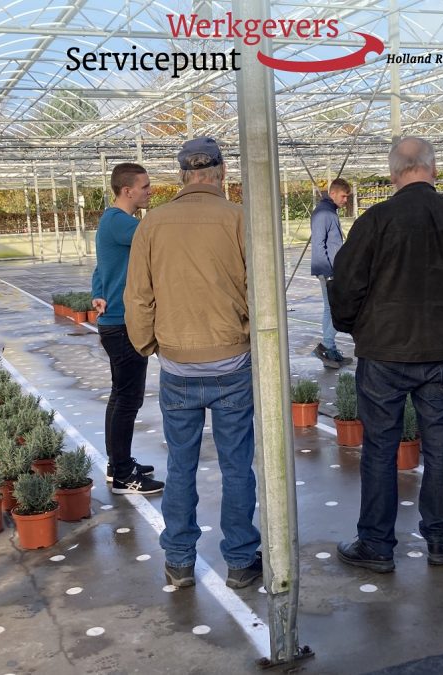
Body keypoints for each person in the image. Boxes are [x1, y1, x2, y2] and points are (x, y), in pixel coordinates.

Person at [329, 137, 443, 571]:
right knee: (441, 442)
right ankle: (441, 539)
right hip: (442, 352)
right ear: (434, 169)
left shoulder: (376, 220)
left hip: (384, 354)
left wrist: (358, 326)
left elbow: (345, 287)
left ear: (393, 175)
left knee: (380, 448)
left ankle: (376, 544)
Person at [124, 137, 262, 590]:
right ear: (222, 172)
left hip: (179, 365)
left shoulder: (152, 224)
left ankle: (179, 561)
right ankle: (241, 561)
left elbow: (139, 298)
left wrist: (149, 345)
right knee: (236, 465)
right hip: (232, 362)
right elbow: (259, 292)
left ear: (182, 176)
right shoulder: (240, 219)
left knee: (180, 465)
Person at [91, 163, 164, 495]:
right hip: (123, 324)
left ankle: (117, 464)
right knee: (127, 400)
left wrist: (98, 292)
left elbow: (102, 266)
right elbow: (160, 239)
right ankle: (123, 474)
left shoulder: (112, 222)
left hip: (115, 321)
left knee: (121, 397)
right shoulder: (122, 223)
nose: (149, 191)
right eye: (145, 186)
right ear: (127, 191)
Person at [310, 177, 354, 369]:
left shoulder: (329, 212)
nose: (345, 200)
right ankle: (327, 347)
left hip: (332, 270)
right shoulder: (323, 214)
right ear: (333, 193)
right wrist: (329, 273)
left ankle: (331, 349)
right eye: (344, 196)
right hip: (328, 271)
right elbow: (319, 245)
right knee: (335, 308)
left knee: (331, 308)